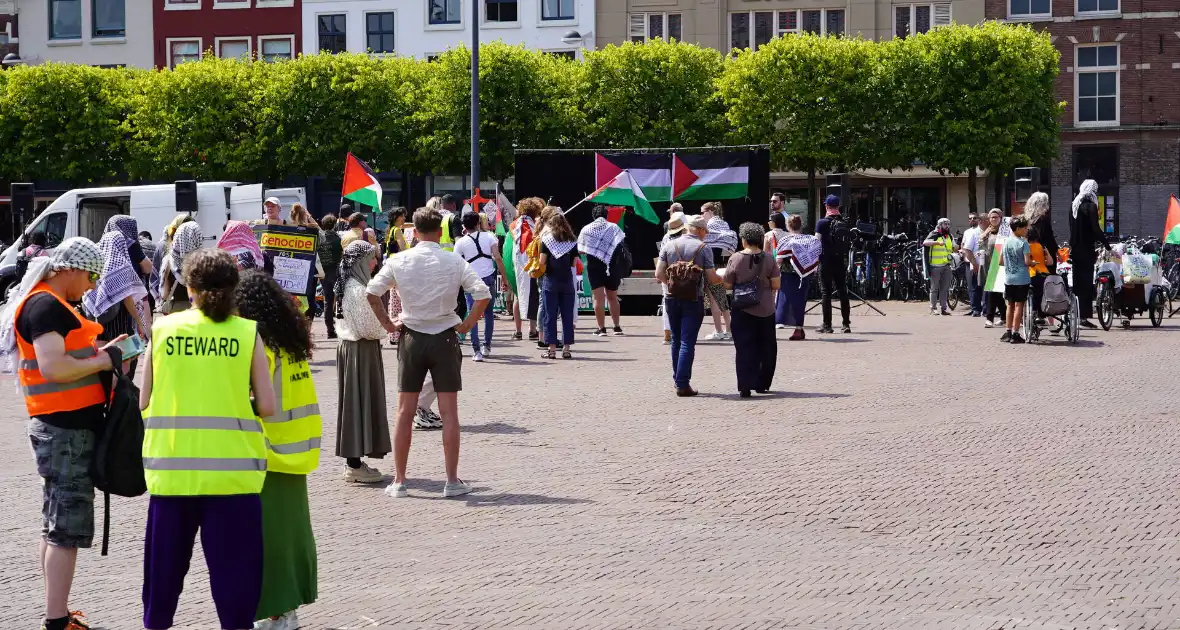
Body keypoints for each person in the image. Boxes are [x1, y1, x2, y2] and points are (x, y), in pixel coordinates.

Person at [138, 248, 275, 630]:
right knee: (236, 583)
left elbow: (144, 400)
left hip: (172, 473)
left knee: (163, 576)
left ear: (190, 286)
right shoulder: (246, 333)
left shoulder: (163, 330)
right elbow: (267, 406)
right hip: (233, 476)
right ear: (234, 287)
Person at [0, 238, 125, 630]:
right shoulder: (47, 307)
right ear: (68, 270)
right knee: (65, 532)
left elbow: (63, 359)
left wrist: (103, 351)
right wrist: (107, 359)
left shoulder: (48, 304)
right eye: (89, 276)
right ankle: (57, 620)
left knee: (55, 525)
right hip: (65, 432)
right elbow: (54, 367)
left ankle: (58, 612)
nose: (91, 285)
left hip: (61, 429)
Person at [365, 207, 491, 499]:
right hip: (445, 337)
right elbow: (483, 293)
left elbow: (372, 292)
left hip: (411, 337)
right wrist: (467, 325)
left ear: (414, 231)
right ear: (440, 230)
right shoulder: (453, 260)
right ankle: (451, 480)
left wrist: (389, 325)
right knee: (449, 414)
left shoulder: (400, 260)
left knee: (404, 412)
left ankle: (399, 480)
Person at [233, 271, 320, 630]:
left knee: (267, 540)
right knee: (292, 535)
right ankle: (287, 609)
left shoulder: (259, 346)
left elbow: (250, 399)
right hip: (297, 450)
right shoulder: (291, 342)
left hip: (267, 452)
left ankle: (277, 612)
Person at [333, 241, 389, 484]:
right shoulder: (357, 289)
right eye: (371, 259)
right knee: (358, 403)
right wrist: (391, 325)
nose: (375, 263)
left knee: (354, 404)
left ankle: (354, 462)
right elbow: (369, 327)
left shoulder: (346, 285)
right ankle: (353, 465)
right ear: (360, 262)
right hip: (360, 349)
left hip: (352, 348)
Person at [656, 215, 722, 397]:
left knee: (676, 339)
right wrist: (724, 279)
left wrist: (672, 285)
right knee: (687, 341)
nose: (705, 235)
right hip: (694, 299)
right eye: (705, 232)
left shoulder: (669, 245)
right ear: (700, 230)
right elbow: (711, 278)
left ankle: (678, 379)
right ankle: (682, 384)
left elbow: (658, 273)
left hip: (671, 298)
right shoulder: (703, 248)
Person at [723, 222, 780, 398]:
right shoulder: (769, 258)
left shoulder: (735, 258)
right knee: (767, 347)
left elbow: (727, 284)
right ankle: (762, 384)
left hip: (742, 308)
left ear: (744, 240)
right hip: (766, 308)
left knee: (744, 348)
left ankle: (745, 386)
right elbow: (776, 284)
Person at [83, 228, 150, 378]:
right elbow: (127, 298)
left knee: (105, 354)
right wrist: (139, 322)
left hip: (101, 320)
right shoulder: (121, 264)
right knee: (125, 355)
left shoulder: (97, 265)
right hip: (120, 320)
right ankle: (121, 386)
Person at [453, 210, 506, 361]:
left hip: (470, 280)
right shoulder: (490, 237)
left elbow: (457, 265)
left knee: (472, 314)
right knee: (489, 314)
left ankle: (476, 351)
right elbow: (498, 258)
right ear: (478, 223)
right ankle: (487, 346)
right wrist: (505, 279)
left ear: (464, 226)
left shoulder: (461, 242)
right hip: (488, 278)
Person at [577, 205, 625, 336]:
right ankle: (617, 327)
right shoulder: (614, 227)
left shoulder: (586, 229)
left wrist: (593, 248)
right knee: (613, 298)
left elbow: (580, 249)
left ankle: (601, 328)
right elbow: (620, 243)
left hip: (594, 267)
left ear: (593, 216)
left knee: (598, 298)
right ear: (606, 215)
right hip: (612, 266)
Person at [773, 214, 822, 341]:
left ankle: (775, 326)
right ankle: (799, 329)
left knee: (783, 302)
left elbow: (778, 260)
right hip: (804, 276)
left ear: (788, 226)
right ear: (801, 225)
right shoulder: (811, 240)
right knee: (800, 302)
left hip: (788, 276)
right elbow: (816, 256)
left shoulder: (786, 240)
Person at [1069, 180, 1109, 329]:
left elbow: (1072, 228)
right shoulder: (1091, 207)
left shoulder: (1074, 205)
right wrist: (1106, 243)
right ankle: (1084, 317)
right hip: (1086, 249)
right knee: (1086, 283)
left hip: (1075, 248)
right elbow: (1095, 228)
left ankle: (1075, 314)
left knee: (1077, 282)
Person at [539, 212, 579, 360]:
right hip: (567, 282)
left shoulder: (547, 240)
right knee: (567, 316)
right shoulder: (572, 241)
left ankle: (551, 350)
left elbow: (542, 261)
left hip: (551, 281)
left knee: (550, 316)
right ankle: (566, 349)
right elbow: (574, 263)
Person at [815, 195, 851, 333]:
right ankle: (846, 324)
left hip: (826, 261)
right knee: (843, 291)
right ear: (838, 206)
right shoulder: (844, 222)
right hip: (840, 260)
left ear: (826, 206)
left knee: (826, 293)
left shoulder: (822, 223)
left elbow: (816, 242)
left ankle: (827, 325)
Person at [700, 202, 736, 341]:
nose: (702, 215)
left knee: (714, 299)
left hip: (711, 267)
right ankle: (729, 329)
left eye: (703, 212)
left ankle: (719, 331)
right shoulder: (724, 225)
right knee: (722, 298)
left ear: (710, 211)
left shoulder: (709, 227)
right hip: (723, 265)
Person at [510, 197, 542, 342]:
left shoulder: (513, 226)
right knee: (533, 295)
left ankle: (518, 331)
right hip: (532, 263)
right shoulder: (536, 225)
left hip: (517, 264)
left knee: (519, 294)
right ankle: (532, 329)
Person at [1025, 192, 1056, 325]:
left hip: (1030, 257)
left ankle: (1035, 313)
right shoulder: (1043, 219)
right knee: (1048, 287)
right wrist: (1057, 251)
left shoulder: (1027, 219)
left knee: (1034, 287)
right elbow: (1049, 238)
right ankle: (1050, 320)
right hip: (1044, 255)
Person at [159, 222, 203, 314]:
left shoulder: (169, 261)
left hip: (176, 311)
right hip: (198, 310)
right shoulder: (203, 263)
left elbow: (165, 293)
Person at [1001, 216, 1032, 344]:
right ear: (1018, 229)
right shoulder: (1023, 242)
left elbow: (1000, 261)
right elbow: (1027, 261)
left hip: (1009, 277)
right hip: (1021, 278)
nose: (1026, 230)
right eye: (1025, 228)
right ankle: (1016, 333)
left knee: (1010, 305)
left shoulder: (1006, 242)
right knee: (1020, 305)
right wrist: (1033, 263)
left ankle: (1007, 331)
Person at [659, 211, 688, 345]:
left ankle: (667, 334)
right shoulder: (687, 240)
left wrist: (665, 280)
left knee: (667, 304)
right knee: (685, 303)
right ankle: (682, 333)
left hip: (669, 275)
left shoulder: (666, 239)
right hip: (685, 276)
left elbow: (661, 260)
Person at [150, 215, 194, 300]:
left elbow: (164, 295)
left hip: (178, 308)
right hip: (199, 309)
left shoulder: (170, 261)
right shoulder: (203, 260)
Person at [315, 214, 343, 340]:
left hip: (322, 272)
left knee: (328, 301)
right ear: (334, 224)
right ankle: (342, 327)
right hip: (335, 271)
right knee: (341, 299)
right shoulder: (338, 238)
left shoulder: (319, 238)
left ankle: (330, 330)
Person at [979, 209, 1007, 328]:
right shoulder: (988, 232)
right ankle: (1004, 316)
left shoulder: (1005, 231)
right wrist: (983, 236)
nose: (994, 219)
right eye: (992, 217)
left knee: (992, 291)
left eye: (996, 217)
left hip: (1002, 263)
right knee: (997, 292)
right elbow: (982, 246)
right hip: (990, 263)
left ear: (1001, 218)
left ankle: (989, 318)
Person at [923, 217, 956, 315]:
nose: (947, 226)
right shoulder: (934, 234)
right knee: (934, 288)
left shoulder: (949, 236)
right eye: (945, 224)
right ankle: (933, 308)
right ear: (940, 225)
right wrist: (937, 242)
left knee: (944, 289)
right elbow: (925, 243)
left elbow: (953, 247)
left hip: (947, 265)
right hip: (935, 266)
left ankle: (944, 308)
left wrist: (958, 249)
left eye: (948, 224)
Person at [959, 213, 983, 317]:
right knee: (971, 286)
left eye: (974, 218)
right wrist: (962, 253)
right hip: (968, 261)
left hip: (979, 261)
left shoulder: (981, 230)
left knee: (980, 285)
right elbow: (963, 245)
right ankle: (974, 308)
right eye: (970, 218)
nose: (972, 220)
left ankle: (982, 308)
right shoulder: (967, 232)